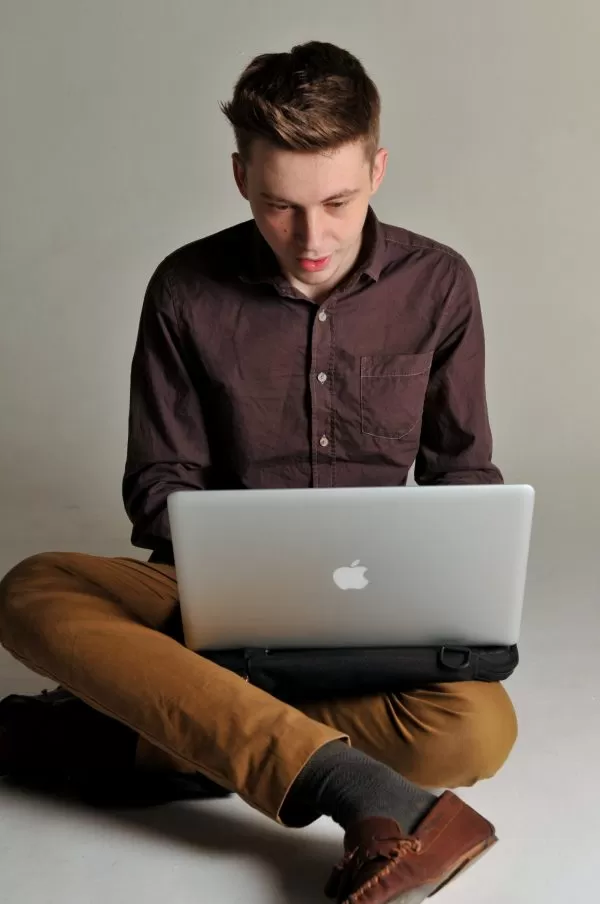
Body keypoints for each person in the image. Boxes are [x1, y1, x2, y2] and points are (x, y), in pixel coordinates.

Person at [0, 41, 518, 904]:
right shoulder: (184, 289)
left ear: (377, 168)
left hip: (373, 612)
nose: (311, 238)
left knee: (476, 732)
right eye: (280, 206)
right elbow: (158, 483)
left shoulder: (441, 286)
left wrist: (458, 576)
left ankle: (151, 725)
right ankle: (359, 790)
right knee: (30, 590)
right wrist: (242, 558)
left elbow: (465, 477)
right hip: (211, 611)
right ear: (241, 176)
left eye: (338, 202)